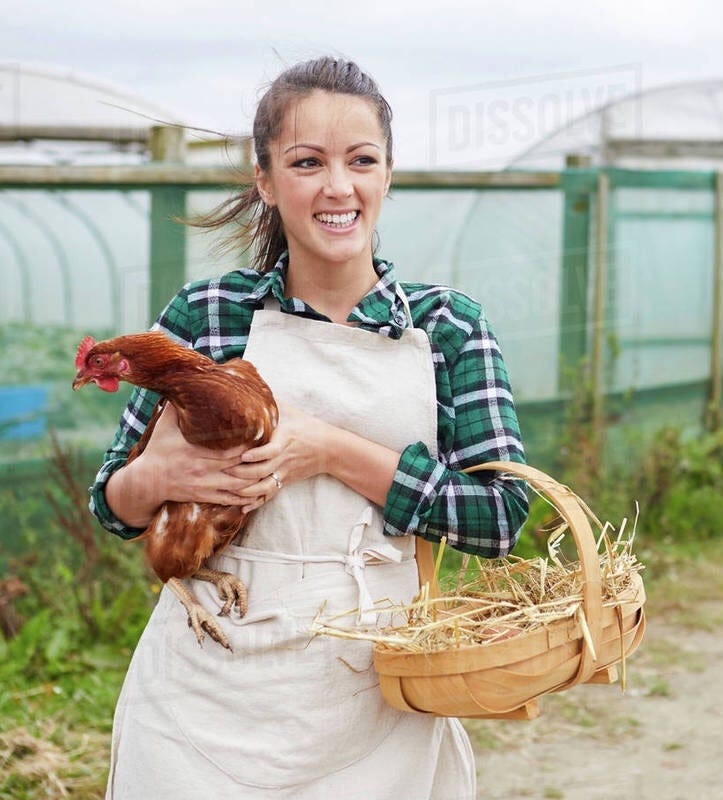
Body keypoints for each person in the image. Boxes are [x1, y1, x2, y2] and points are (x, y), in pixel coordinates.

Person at [87, 56, 528, 799]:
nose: (338, 186)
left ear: (387, 175)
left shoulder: (447, 327)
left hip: (373, 691)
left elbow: (500, 518)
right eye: (307, 162)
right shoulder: (207, 316)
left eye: (361, 161)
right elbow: (111, 504)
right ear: (266, 180)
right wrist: (154, 478)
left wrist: (331, 450)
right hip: (204, 693)